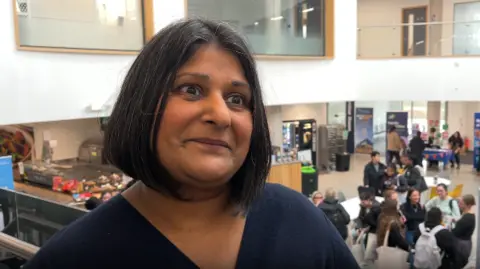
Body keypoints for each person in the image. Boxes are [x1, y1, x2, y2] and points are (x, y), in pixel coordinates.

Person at [24, 19, 358, 269]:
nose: (221, 115)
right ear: (141, 104)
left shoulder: (299, 221)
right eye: (191, 90)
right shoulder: (75, 258)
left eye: (237, 99)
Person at [452, 194, 476, 265]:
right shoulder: (466, 215)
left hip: (462, 245)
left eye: (461, 203)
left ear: (468, 205)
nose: (459, 205)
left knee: (458, 264)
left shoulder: (468, 218)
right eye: (459, 202)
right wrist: (457, 221)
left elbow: (456, 232)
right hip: (464, 243)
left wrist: (448, 229)